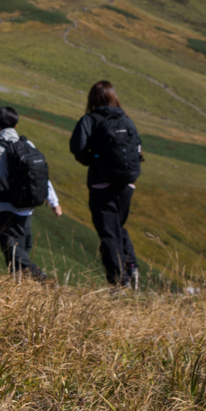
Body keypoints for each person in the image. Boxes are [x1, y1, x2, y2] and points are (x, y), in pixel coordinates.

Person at [68, 80, 143, 287]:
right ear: (113, 96)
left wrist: (93, 161)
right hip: (127, 184)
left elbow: (78, 147)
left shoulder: (90, 120)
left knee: (108, 233)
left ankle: (119, 282)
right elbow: (138, 148)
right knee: (118, 226)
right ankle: (131, 267)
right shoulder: (126, 120)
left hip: (102, 184)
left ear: (93, 98)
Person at [0, 105, 62, 280]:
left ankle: (42, 280)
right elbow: (41, 175)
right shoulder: (27, 144)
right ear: (15, 124)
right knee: (20, 251)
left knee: (13, 253)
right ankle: (21, 292)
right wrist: (54, 202)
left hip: (5, 208)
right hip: (27, 208)